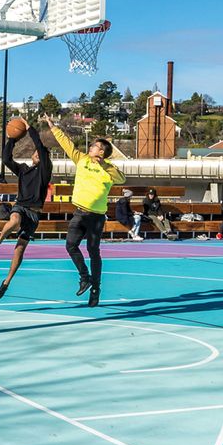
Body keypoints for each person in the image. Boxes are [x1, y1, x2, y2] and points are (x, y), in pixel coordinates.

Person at [48, 117, 126, 307]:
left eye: (94, 146)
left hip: (96, 217)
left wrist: (103, 164)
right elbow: (67, 145)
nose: (90, 147)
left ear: (102, 151)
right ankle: (85, 277)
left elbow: (121, 179)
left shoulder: (109, 169)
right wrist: (54, 128)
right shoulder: (82, 160)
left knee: (93, 251)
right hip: (79, 213)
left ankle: (95, 289)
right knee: (70, 246)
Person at [0, 120, 53, 300]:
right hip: (20, 206)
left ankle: (6, 283)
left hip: (34, 214)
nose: (37, 153)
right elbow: (6, 159)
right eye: (35, 152)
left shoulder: (45, 171)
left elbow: (40, 145)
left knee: (19, 249)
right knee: (14, 219)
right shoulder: (23, 170)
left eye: (40, 153)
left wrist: (29, 129)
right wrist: (12, 139)